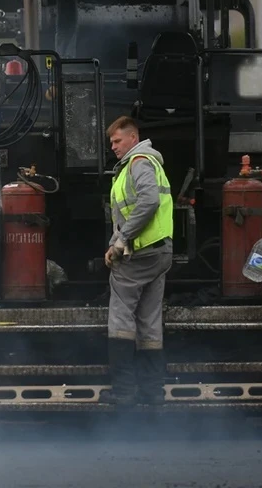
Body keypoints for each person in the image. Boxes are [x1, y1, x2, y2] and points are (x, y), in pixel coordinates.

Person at [98, 116, 174, 406]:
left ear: (133, 137)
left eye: (117, 141)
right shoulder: (151, 163)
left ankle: (124, 392)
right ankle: (153, 393)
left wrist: (120, 241)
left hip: (140, 253)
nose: (114, 147)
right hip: (159, 252)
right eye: (112, 143)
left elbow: (148, 201)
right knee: (150, 324)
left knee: (120, 319)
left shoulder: (137, 162)